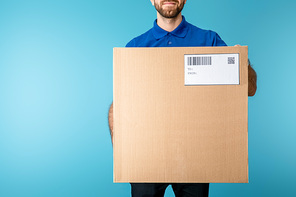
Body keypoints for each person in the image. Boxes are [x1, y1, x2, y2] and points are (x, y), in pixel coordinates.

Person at [108, 0, 257, 196]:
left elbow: (249, 89)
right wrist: (125, 154)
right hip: (147, 155)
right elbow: (121, 106)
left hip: (195, 154)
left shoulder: (209, 40)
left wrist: (242, 63)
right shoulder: (135, 48)